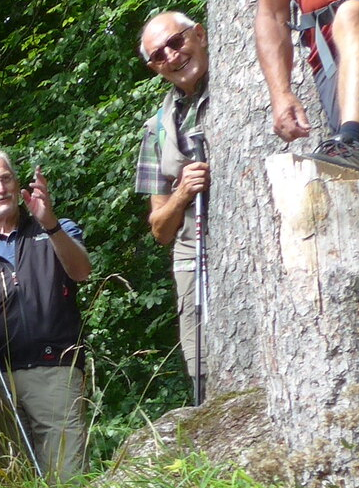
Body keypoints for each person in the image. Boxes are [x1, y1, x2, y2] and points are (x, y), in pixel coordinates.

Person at [0, 148, 93, 483]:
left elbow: (82, 271)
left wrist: (50, 223)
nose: (0, 188)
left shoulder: (55, 229)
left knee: (68, 480)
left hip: (54, 371)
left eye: (6, 178)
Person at [253, 0, 359, 178]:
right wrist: (281, 94)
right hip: (333, 52)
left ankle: (351, 138)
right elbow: (271, 14)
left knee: (352, 14)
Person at [136, 11, 213, 398]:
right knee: (204, 374)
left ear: (199, 34)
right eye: (157, 55)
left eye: (176, 42)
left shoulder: (243, 87)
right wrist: (182, 193)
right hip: (193, 262)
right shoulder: (157, 128)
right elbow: (160, 229)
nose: (170, 56)